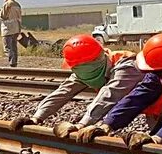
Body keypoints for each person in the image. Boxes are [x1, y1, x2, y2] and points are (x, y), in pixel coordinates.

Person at [9, 33, 147, 137]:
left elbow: (109, 95)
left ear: (90, 64)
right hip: (148, 108)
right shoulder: (87, 71)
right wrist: (36, 117)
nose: (75, 72)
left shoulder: (126, 65)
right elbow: (63, 92)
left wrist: (81, 124)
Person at [0, 0, 23, 67]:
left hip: (7, 29)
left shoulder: (7, 4)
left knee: (7, 48)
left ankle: (12, 63)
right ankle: (14, 62)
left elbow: (3, 16)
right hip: (16, 28)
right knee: (14, 47)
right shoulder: (17, 4)